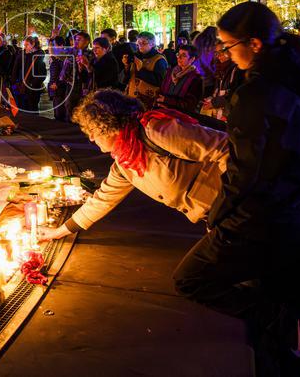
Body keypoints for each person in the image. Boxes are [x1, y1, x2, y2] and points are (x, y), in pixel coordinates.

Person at [173, 2, 300, 375]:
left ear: (256, 44)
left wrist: (219, 215)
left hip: (266, 218)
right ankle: (290, 337)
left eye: (229, 46)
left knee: (190, 278)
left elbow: (245, 172)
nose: (224, 53)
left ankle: (277, 320)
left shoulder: (255, 95)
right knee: (277, 287)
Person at [40, 89, 228, 238]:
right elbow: (102, 200)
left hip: (240, 206)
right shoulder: (125, 162)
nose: (90, 138)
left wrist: (232, 199)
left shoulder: (155, 131)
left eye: (92, 130)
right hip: (218, 219)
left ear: (108, 126)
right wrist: (60, 231)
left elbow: (226, 147)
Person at [200, 41, 245, 122]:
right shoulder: (220, 69)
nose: (219, 56)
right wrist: (211, 99)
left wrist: (214, 103)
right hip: (220, 115)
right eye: (216, 53)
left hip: (228, 116)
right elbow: (218, 91)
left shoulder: (236, 70)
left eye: (222, 52)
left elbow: (233, 95)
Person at [123, 32, 168, 108]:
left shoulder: (159, 59)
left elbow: (159, 81)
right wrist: (126, 65)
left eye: (144, 43)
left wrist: (141, 68)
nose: (140, 45)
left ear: (153, 44)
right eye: (139, 43)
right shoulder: (136, 56)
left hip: (149, 101)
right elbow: (127, 78)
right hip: (132, 98)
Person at [157, 44, 204, 114]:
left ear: (192, 59)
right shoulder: (170, 72)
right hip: (164, 112)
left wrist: (166, 101)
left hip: (181, 117)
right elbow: (161, 92)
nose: (179, 57)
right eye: (178, 54)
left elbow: (189, 104)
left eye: (184, 55)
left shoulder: (196, 79)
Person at [15, 35, 47, 111]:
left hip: (33, 89)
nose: (25, 47)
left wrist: (32, 84)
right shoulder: (28, 55)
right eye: (24, 45)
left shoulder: (38, 57)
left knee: (32, 109)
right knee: (25, 109)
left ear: (33, 45)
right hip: (26, 88)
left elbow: (42, 74)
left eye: (27, 45)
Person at [47, 36, 69, 122]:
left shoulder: (64, 57)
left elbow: (64, 73)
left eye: (53, 45)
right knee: (56, 111)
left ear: (61, 45)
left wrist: (56, 83)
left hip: (60, 87)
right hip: (54, 87)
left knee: (60, 112)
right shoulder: (55, 57)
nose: (51, 48)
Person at [193, 26, 220, 97]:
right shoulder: (212, 45)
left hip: (196, 76)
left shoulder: (198, 40)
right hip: (209, 79)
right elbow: (209, 62)